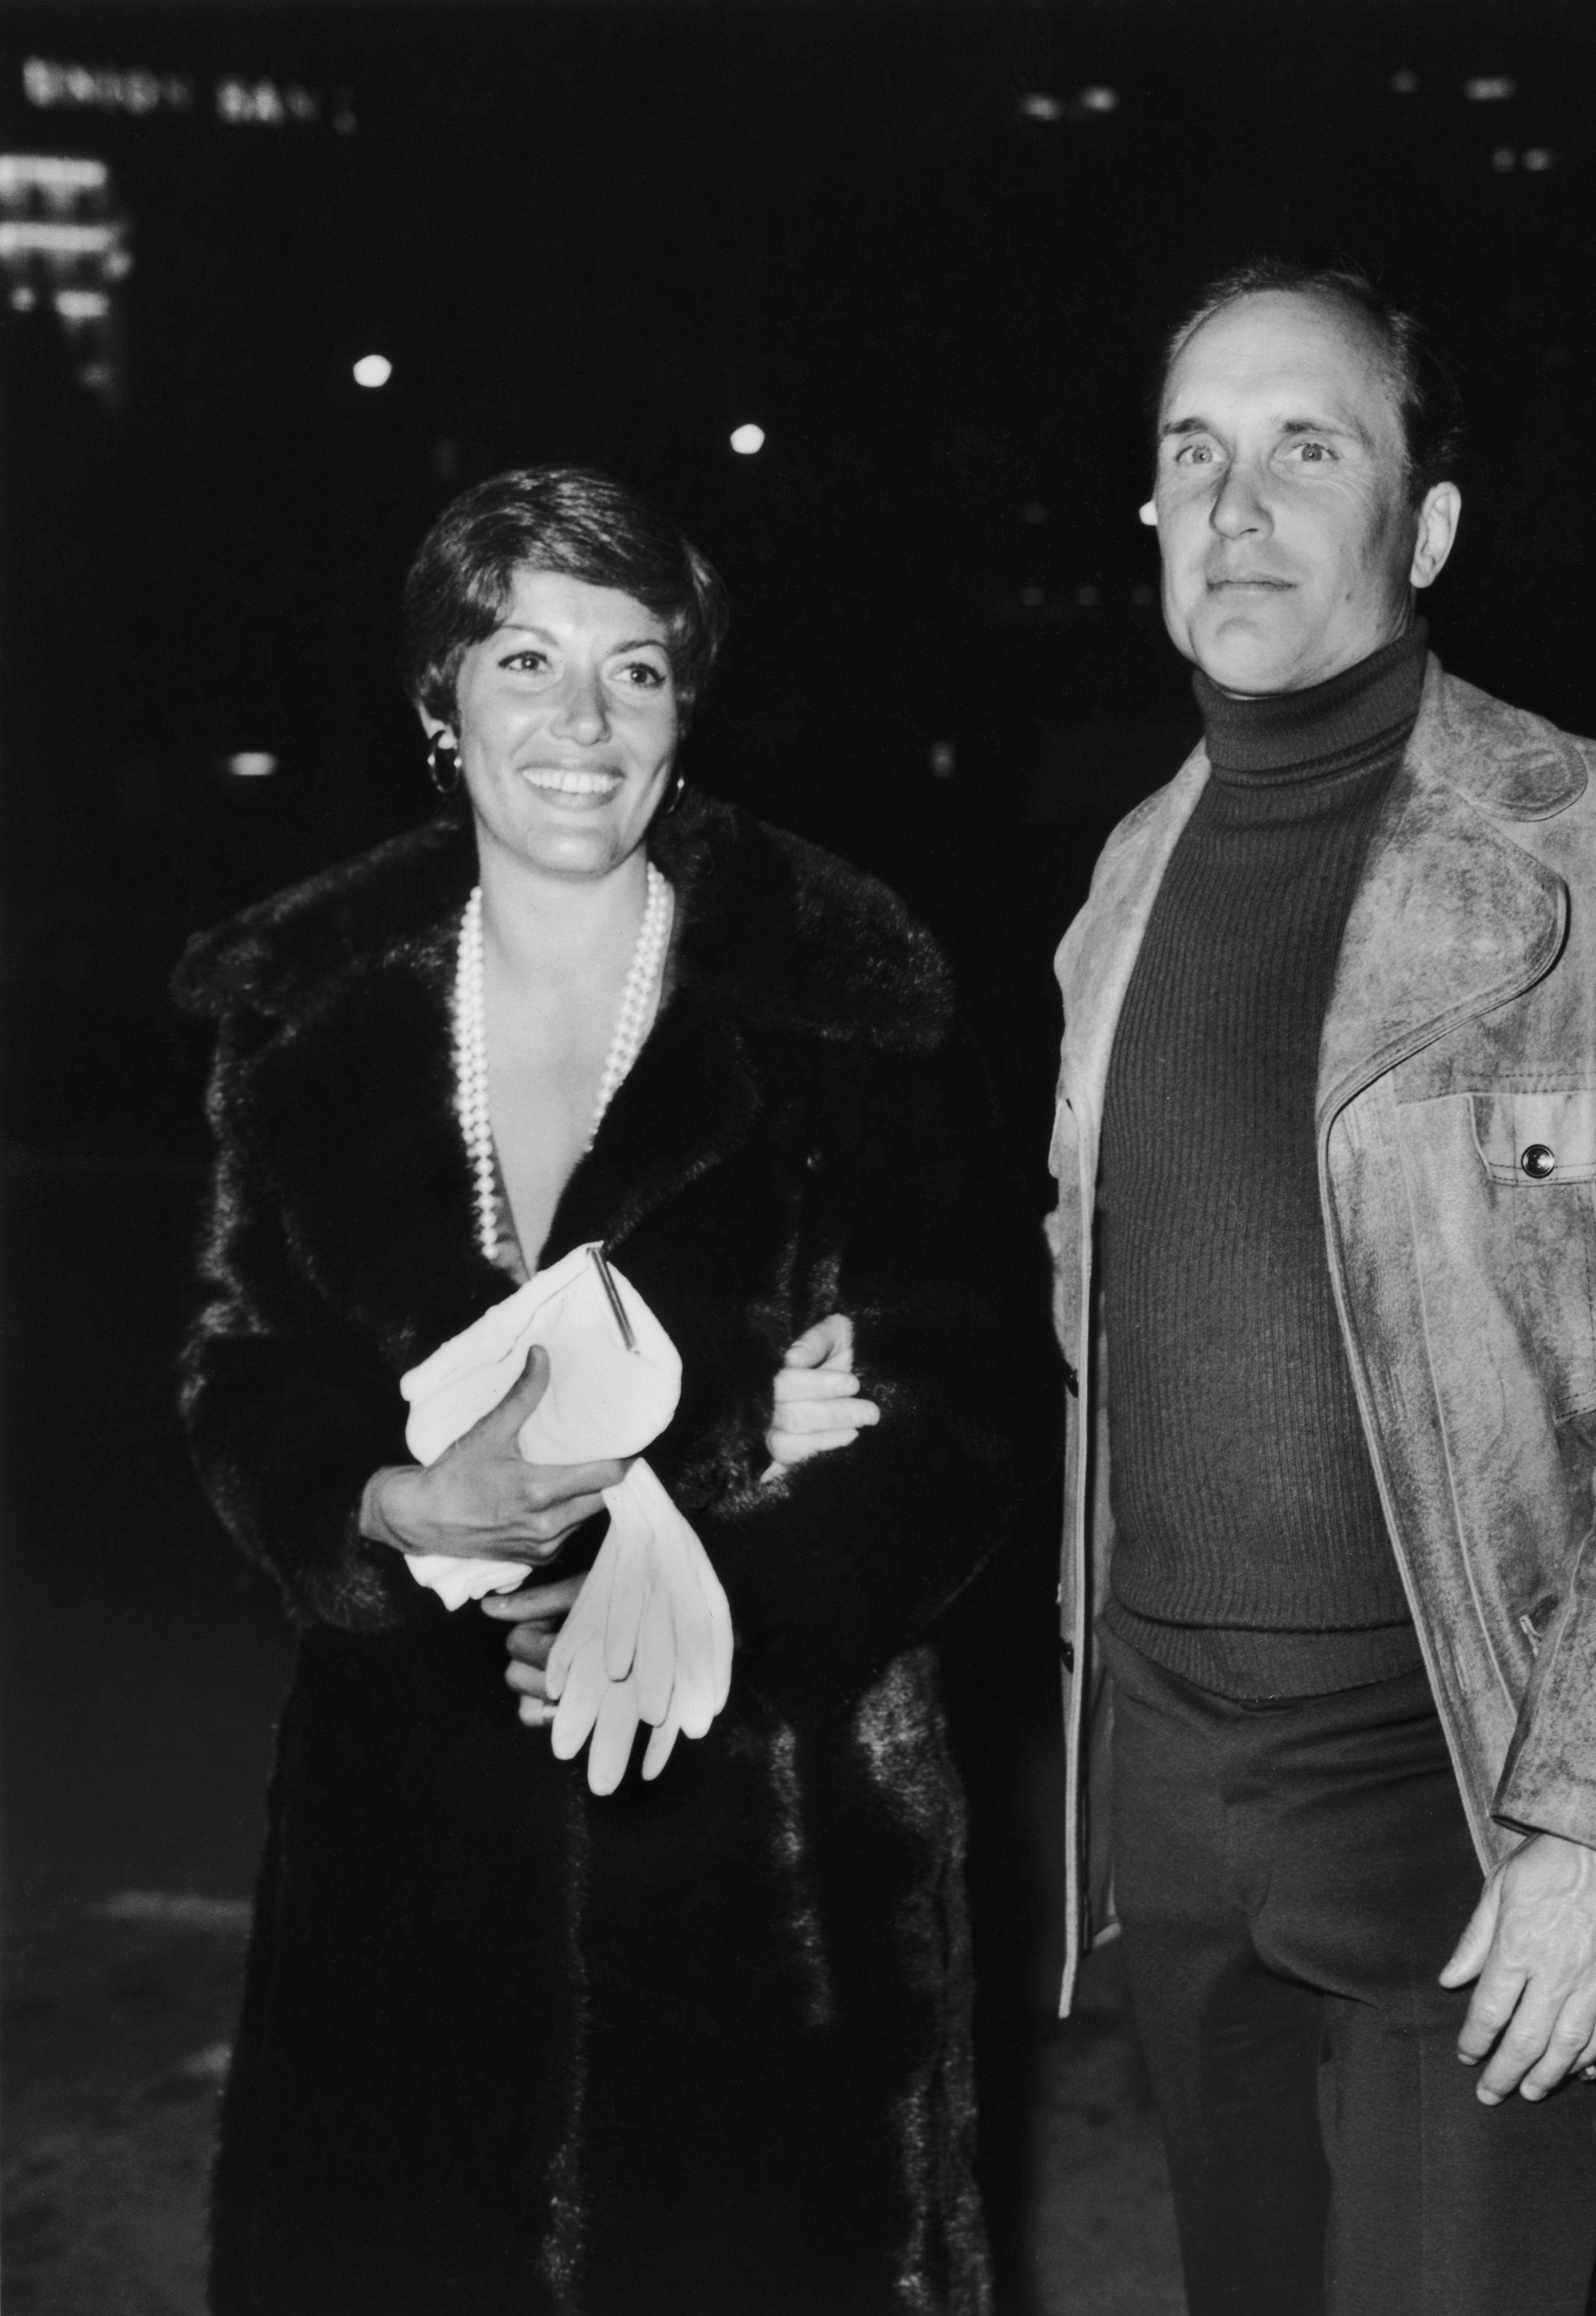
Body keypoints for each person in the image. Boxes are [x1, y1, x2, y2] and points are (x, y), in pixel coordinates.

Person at [174, 465, 1045, 2315]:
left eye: (634, 671)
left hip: (766, 1847)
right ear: (440, 698)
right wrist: (387, 1509)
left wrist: (749, 1567)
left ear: (684, 707)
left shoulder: (839, 984)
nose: (580, 723)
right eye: (523, 659)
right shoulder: (306, 1004)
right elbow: (244, 1367)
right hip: (410, 1846)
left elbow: (970, 1396)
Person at [1043, 263, 1596, 2314]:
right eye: (1193, 451)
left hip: (1466, 1787)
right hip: (1180, 1790)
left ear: (1427, 526)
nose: (1237, 504)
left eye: (1311, 447)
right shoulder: (1123, 878)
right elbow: (1102, 1328)